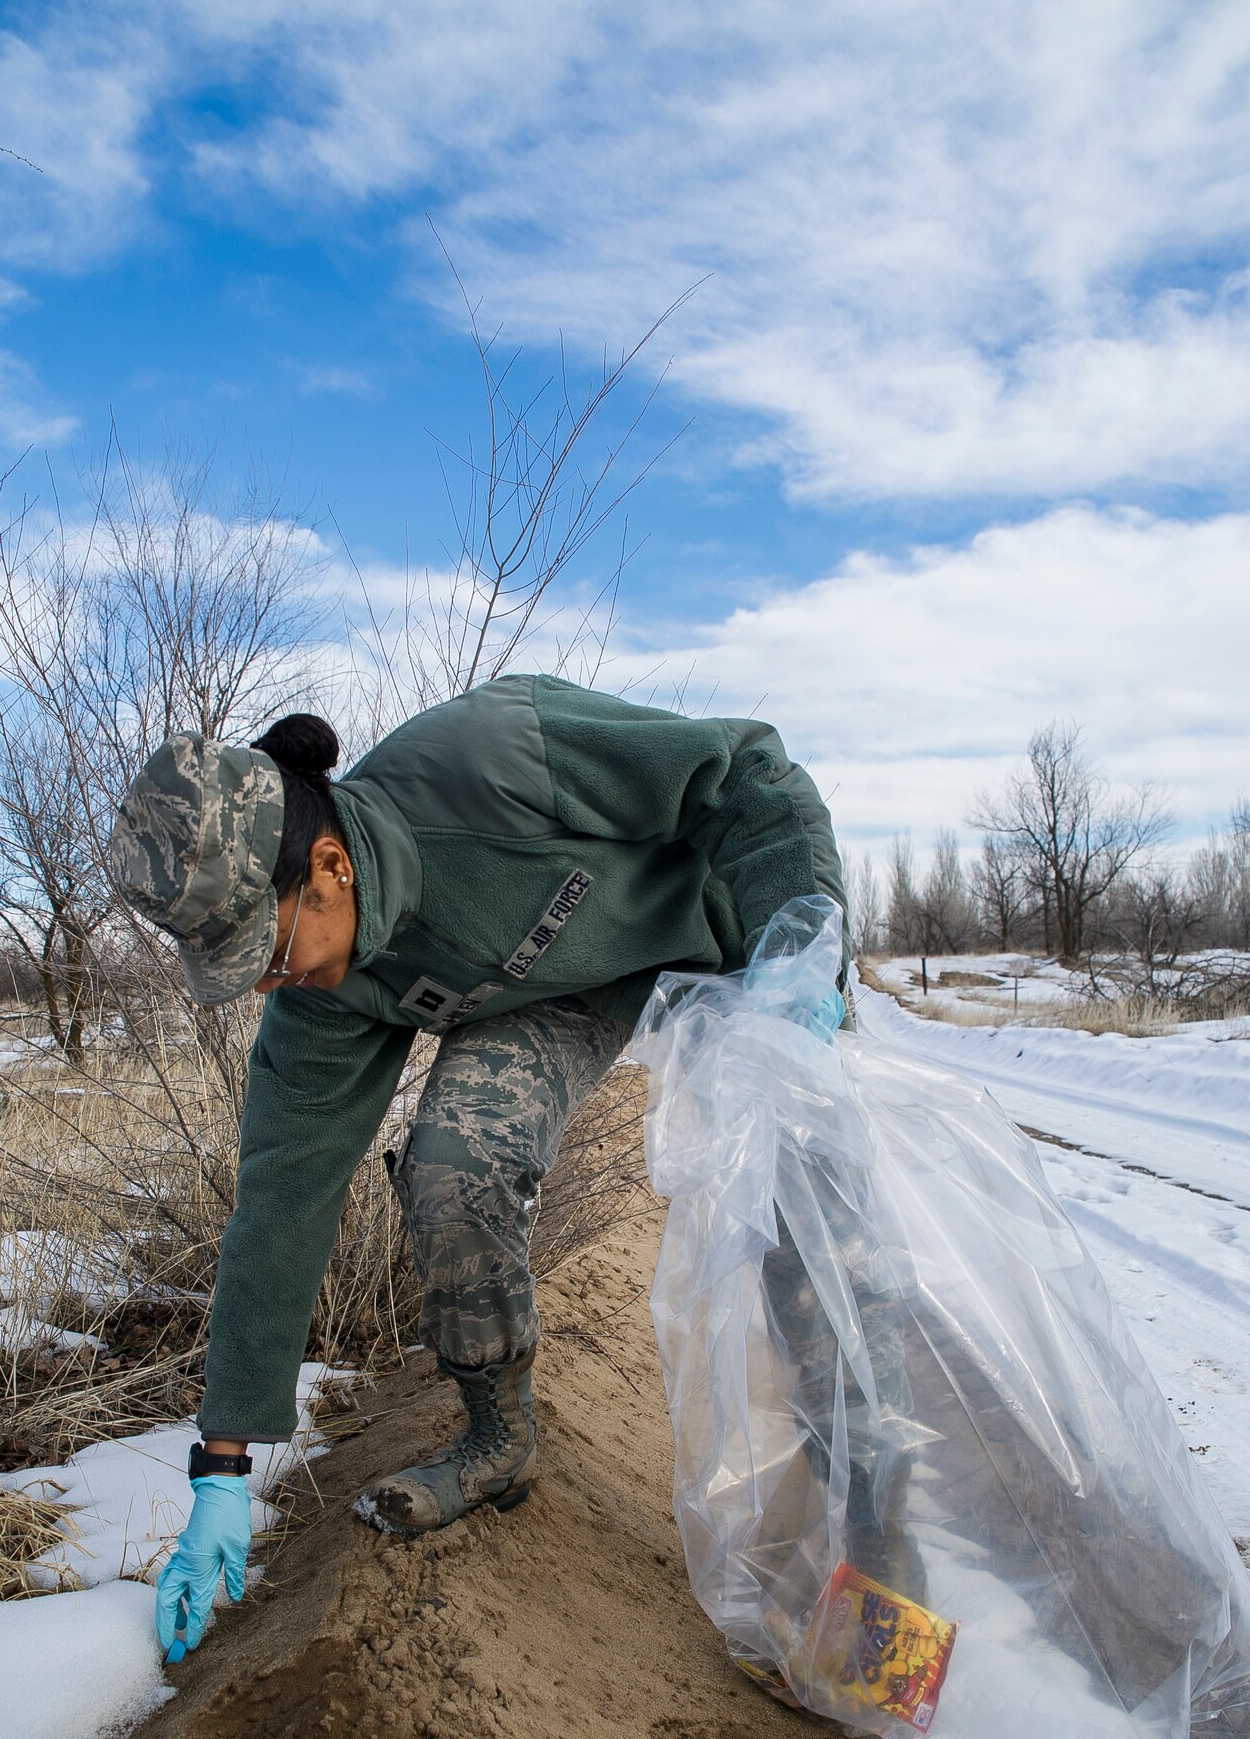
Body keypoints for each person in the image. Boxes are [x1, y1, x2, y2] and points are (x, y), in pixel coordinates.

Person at [109, 673, 847, 1661]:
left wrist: (799, 958)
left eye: (271, 947)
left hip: (736, 935)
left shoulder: (495, 755)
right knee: (452, 1160)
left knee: (811, 1216)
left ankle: (871, 1497)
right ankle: (499, 1437)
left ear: (327, 863)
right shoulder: (323, 998)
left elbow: (743, 769)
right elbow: (279, 1205)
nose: (273, 981)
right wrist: (221, 1469)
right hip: (577, 989)